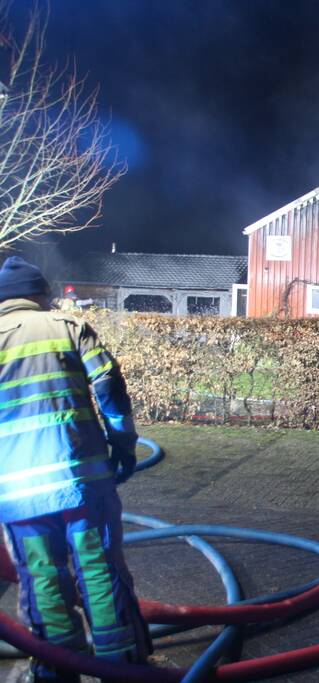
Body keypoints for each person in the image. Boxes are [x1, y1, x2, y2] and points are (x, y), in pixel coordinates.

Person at [0, 256, 151, 681]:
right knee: (100, 568)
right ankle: (121, 666)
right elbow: (110, 391)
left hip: (17, 494)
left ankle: (55, 668)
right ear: (39, 296)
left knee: (42, 577)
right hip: (83, 483)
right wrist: (123, 447)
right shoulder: (69, 328)